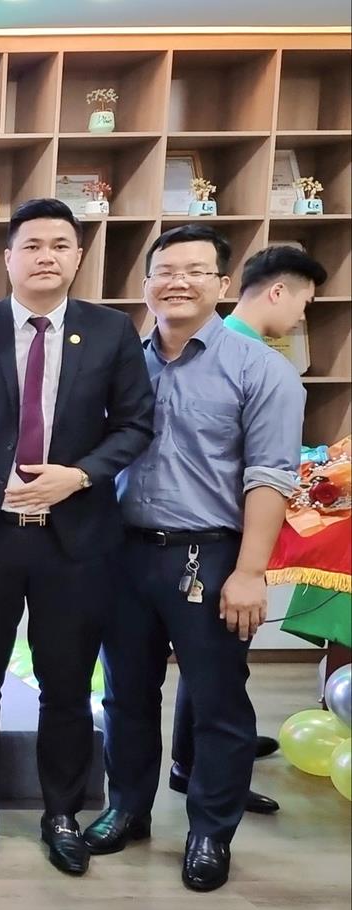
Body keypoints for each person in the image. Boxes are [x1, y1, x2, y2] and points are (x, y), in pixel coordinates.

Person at [0, 198, 154, 877]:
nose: (45, 256)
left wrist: (78, 476)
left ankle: (61, 812)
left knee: (66, 683)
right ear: (8, 258)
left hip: (75, 539)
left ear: (78, 256)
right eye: (32, 245)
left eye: (59, 244)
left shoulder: (111, 332)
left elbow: (136, 425)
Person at [85, 225, 305, 893]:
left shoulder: (261, 370)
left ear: (224, 284)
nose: (178, 281)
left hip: (210, 557)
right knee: (125, 694)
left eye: (196, 270)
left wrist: (249, 572)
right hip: (124, 554)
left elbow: (270, 475)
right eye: (165, 270)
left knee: (216, 702)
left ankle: (210, 831)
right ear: (146, 283)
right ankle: (127, 808)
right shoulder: (124, 363)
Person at [167, 245, 326, 815]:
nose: (302, 316)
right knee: (209, 674)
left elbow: (269, 467)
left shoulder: (257, 363)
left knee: (212, 674)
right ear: (277, 291)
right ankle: (194, 769)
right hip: (193, 544)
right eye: (304, 302)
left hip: (216, 546)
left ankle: (203, 781)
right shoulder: (198, 355)